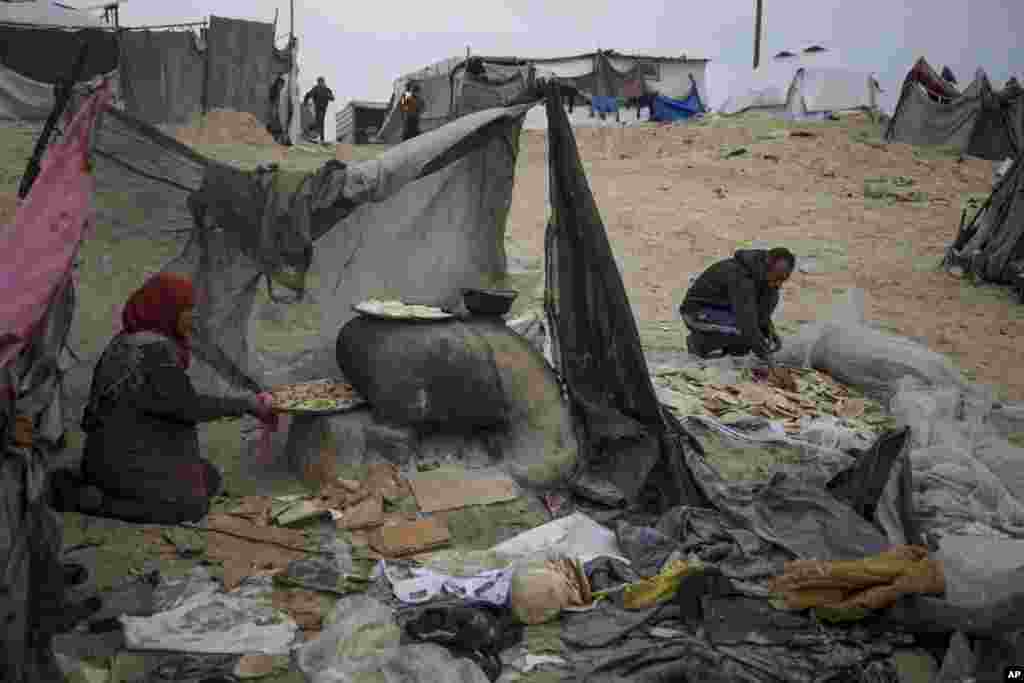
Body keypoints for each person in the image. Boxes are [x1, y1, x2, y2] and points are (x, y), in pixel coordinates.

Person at [50, 273, 275, 524]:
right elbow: (186, 407)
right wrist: (247, 404)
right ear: (166, 309)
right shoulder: (153, 351)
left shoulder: (127, 341)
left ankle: (95, 485)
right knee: (190, 507)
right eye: (185, 309)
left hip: (113, 454)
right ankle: (90, 500)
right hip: (125, 461)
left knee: (207, 477)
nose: (192, 317)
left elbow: (170, 402)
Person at [679, 247, 795, 361]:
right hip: (697, 312)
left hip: (726, 312)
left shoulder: (765, 279)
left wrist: (769, 331)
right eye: (777, 278)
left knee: (750, 341)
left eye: (783, 280)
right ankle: (699, 343)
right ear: (767, 266)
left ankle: (725, 346)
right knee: (745, 334)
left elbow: (759, 316)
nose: (779, 284)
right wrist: (769, 360)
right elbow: (747, 323)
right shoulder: (740, 277)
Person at [303, 76, 335, 143]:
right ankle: (318, 137)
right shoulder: (316, 88)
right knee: (319, 122)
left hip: (323, 109)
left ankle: (320, 138)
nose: (320, 83)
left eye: (321, 82)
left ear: (323, 82)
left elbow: (332, 98)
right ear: (318, 82)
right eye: (319, 82)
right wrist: (305, 102)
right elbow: (308, 94)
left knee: (320, 122)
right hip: (317, 108)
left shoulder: (327, 89)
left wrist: (329, 96)